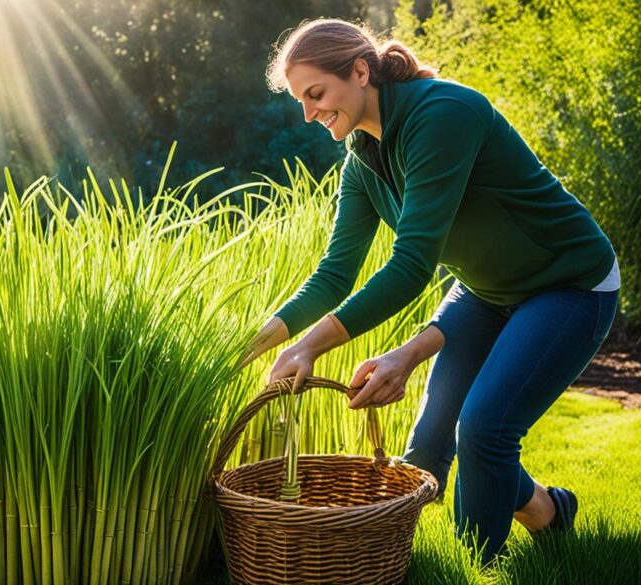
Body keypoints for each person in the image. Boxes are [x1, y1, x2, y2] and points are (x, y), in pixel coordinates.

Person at [235, 18, 620, 567]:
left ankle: (473, 568)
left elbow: (412, 265)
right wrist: (260, 342)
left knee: (485, 430)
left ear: (361, 71)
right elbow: (335, 273)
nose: (309, 113)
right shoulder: (362, 160)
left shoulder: (442, 115)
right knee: (428, 445)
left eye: (315, 94)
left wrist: (312, 346)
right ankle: (547, 510)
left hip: (569, 281)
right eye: (300, 100)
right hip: (487, 289)